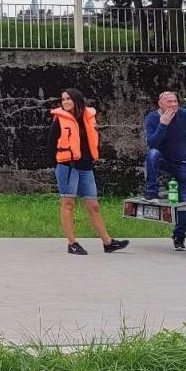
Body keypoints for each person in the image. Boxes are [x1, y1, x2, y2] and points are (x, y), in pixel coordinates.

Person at [48, 88, 128, 255]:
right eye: (63, 100)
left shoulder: (87, 117)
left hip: (85, 166)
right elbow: (50, 145)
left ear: (77, 100)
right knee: (68, 204)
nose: (65, 102)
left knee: (94, 205)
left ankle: (107, 242)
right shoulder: (60, 120)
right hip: (67, 166)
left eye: (68, 99)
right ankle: (72, 243)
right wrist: (59, 164)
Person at [143, 91, 186, 251]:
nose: (173, 105)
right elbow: (153, 143)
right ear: (160, 103)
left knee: (185, 198)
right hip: (163, 159)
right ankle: (152, 191)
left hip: (182, 162)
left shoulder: (184, 114)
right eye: (169, 102)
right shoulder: (152, 118)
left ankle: (179, 237)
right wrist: (163, 124)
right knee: (152, 154)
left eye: (175, 101)